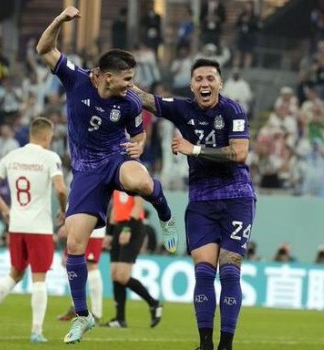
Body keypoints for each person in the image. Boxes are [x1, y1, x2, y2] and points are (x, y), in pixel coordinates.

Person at [36, 6, 177, 344]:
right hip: (85, 170)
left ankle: (166, 215)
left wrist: (139, 145)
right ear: (104, 76)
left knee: (140, 182)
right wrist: (59, 20)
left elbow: (138, 134)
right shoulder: (77, 78)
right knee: (73, 243)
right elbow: (44, 49)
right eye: (127, 79)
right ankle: (83, 316)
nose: (133, 85)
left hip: (114, 158)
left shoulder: (129, 102)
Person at [132, 58, 256, 350]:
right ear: (191, 85)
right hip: (200, 200)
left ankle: (226, 344)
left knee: (229, 268)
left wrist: (194, 149)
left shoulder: (233, 110)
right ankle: (205, 344)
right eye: (199, 79)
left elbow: (239, 154)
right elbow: (146, 99)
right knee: (202, 271)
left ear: (220, 83)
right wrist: (110, 77)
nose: (205, 83)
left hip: (236, 196)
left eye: (210, 78)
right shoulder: (182, 108)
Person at [0, 117, 68, 343]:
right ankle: (36, 331)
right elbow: (61, 189)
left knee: (16, 272)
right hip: (39, 227)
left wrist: (5, 209)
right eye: (51, 136)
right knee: (39, 278)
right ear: (46, 136)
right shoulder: (50, 157)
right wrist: (64, 211)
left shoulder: (13, 156)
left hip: (17, 225)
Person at [103, 190, 162, 329]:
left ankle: (154, 303)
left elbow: (138, 205)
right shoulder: (116, 182)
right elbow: (115, 209)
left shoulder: (134, 181)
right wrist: (110, 233)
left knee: (122, 276)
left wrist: (127, 229)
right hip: (118, 227)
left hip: (133, 227)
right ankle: (120, 319)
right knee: (115, 275)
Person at [57, 226, 106, 323]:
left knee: (91, 265)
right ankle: (75, 307)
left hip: (92, 225)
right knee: (71, 263)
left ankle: (97, 313)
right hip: (75, 227)